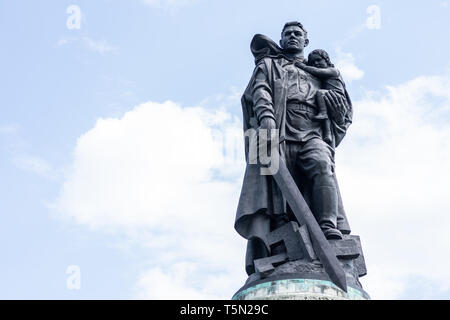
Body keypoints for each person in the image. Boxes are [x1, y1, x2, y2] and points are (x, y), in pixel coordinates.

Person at [235, 21, 353, 277]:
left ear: (305, 41)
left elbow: (343, 109)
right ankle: (280, 247)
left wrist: (336, 104)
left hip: (312, 129)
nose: (292, 37)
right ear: (282, 38)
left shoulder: (320, 70)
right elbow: (260, 92)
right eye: (287, 34)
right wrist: (266, 118)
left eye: (297, 34)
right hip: (279, 129)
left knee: (322, 166)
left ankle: (327, 225)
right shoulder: (268, 65)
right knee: (276, 192)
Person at [295, 49, 351, 145]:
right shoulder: (268, 63)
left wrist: (303, 66)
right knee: (267, 154)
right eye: (313, 62)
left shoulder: (333, 71)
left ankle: (324, 115)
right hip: (272, 126)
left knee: (320, 158)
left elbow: (316, 71)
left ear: (327, 60)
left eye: (318, 60)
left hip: (333, 97)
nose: (316, 63)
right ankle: (327, 134)